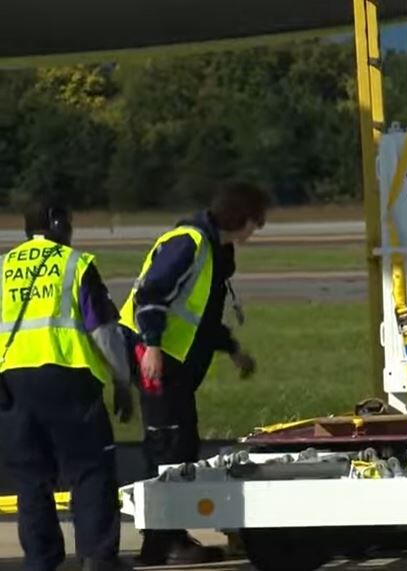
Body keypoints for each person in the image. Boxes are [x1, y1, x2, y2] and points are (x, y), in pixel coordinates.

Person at [118, 181, 267, 565]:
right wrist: (151, 345)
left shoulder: (214, 251)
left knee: (182, 446)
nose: (256, 230)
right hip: (155, 356)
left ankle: (170, 537)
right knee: (168, 447)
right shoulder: (190, 244)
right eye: (255, 221)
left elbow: (200, 317)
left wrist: (233, 350)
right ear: (242, 218)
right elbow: (151, 295)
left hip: (173, 361)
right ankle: (159, 545)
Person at [0, 198, 136, 571]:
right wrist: (122, 380)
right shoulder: (75, 265)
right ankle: (97, 557)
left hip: (11, 384)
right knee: (91, 471)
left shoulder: (4, 267)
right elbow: (103, 330)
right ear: (59, 223)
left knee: (30, 479)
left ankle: (40, 561)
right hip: (67, 379)